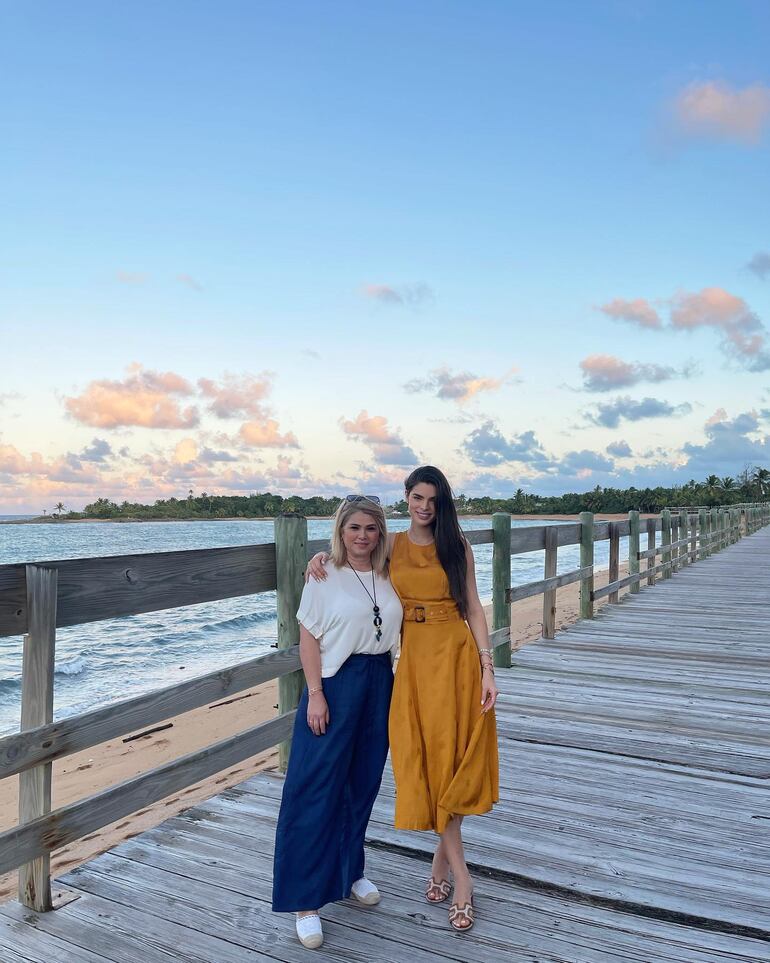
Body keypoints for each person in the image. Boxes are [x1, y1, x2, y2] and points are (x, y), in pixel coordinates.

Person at [308, 466, 499, 932]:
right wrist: (320, 556)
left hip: (455, 659)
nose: (424, 507)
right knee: (427, 761)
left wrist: (487, 666)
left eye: (432, 499)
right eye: (417, 497)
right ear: (406, 497)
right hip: (412, 664)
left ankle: (458, 876)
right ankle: (447, 864)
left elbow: (473, 605)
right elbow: (354, 560)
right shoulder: (390, 544)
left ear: (442, 502)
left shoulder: (458, 545)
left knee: (452, 760)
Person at [272, 495, 402, 950]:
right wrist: (316, 695)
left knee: (361, 785)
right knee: (315, 788)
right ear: (340, 532)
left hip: (380, 681)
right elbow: (308, 639)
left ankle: (350, 873)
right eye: (354, 529)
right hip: (334, 682)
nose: (362, 537)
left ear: (380, 532)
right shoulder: (323, 575)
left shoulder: (390, 573)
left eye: (370, 528)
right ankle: (305, 902)